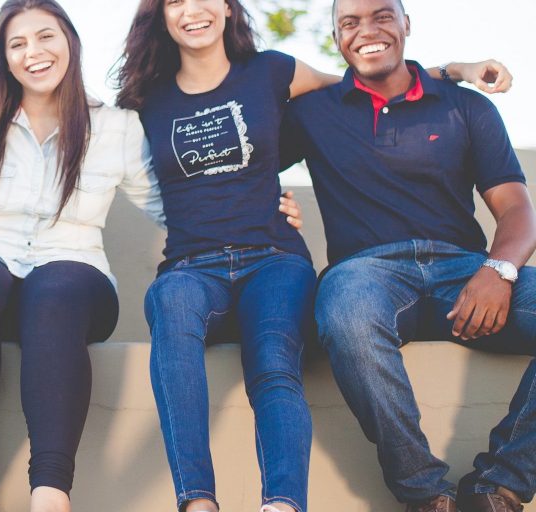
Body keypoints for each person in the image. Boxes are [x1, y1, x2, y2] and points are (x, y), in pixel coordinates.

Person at [0, 1, 302, 511]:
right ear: (3, 58)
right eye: (17, 44)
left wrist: (263, 206)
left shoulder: (115, 127)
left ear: (69, 41)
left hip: (77, 282)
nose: (34, 53)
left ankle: (50, 496)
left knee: (54, 286)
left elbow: (178, 205)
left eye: (45, 37)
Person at [113, 1, 510, 511]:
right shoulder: (146, 99)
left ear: (230, 9)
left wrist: (453, 71)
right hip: (191, 264)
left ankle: (282, 504)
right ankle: (197, 502)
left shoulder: (272, 70)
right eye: (175, 0)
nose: (194, 9)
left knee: (275, 361)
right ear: (160, 16)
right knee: (171, 310)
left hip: (274, 257)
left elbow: (361, 82)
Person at [281, 1, 535, 511]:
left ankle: (500, 485)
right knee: (346, 314)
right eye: (348, 23)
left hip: (464, 271)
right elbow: (240, 144)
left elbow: (517, 208)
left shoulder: (464, 105)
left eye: (381, 16)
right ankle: (424, 494)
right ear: (336, 39)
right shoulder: (313, 111)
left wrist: (498, 269)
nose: (366, 31)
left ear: (406, 25)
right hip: (366, 274)